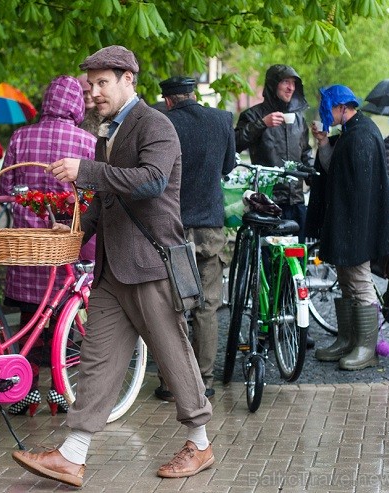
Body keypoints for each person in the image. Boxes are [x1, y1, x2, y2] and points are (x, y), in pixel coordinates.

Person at [10, 45, 214, 488]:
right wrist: (71, 237)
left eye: (103, 83)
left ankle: (199, 442)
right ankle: (72, 454)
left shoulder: (155, 124)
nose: (94, 92)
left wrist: (87, 171)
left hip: (150, 264)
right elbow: (106, 202)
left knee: (173, 354)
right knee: (97, 362)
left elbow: (152, 180)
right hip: (110, 270)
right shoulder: (107, 134)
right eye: (91, 84)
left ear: (128, 80)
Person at [0, 75, 96, 417]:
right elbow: (92, 194)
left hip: (28, 245)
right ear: (76, 104)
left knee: (29, 319)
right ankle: (58, 391)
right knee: (63, 320)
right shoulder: (86, 141)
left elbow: (7, 184)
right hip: (65, 246)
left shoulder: (21, 137)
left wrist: (29, 197)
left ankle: (25, 394)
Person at [154, 75, 236, 401]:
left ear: (169, 99)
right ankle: (204, 380)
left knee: (172, 309)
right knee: (207, 307)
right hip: (210, 230)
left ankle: (170, 384)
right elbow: (228, 166)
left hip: (171, 229)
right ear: (193, 94)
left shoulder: (162, 123)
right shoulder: (222, 120)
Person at [308, 85, 389, 371]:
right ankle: (349, 340)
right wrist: (323, 143)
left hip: (356, 225)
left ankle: (367, 348)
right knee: (347, 282)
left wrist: (353, 232)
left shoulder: (362, 135)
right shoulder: (351, 133)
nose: (324, 113)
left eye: (328, 108)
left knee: (359, 282)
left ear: (342, 107)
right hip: (346, 223)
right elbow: (334, 169)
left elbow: (360, 190)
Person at [234, 64, 314, 347]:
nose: (290, 88)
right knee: (267, 267)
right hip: (268, 203)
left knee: (297, 266)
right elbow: (235, 143)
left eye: (294, 83)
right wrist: (262, 124)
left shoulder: (299, 119)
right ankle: (267, 326)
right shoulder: (254, 114)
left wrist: (312, 171)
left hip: (295, 201)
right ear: (273, 84)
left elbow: (306, 153)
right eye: (285, 83)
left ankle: (296, 325)